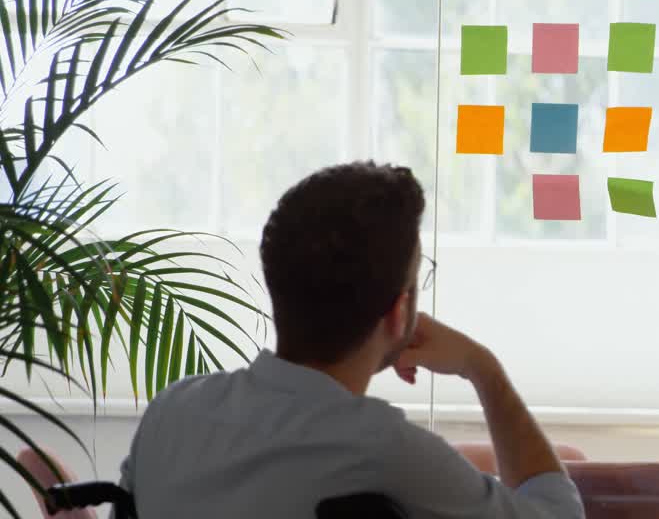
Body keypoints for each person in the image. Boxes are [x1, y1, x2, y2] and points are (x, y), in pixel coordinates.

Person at [117, 162, 584, 519]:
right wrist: (483, 368)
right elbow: (558, 514)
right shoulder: (388, 451)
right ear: (399, 313)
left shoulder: (171, 412)